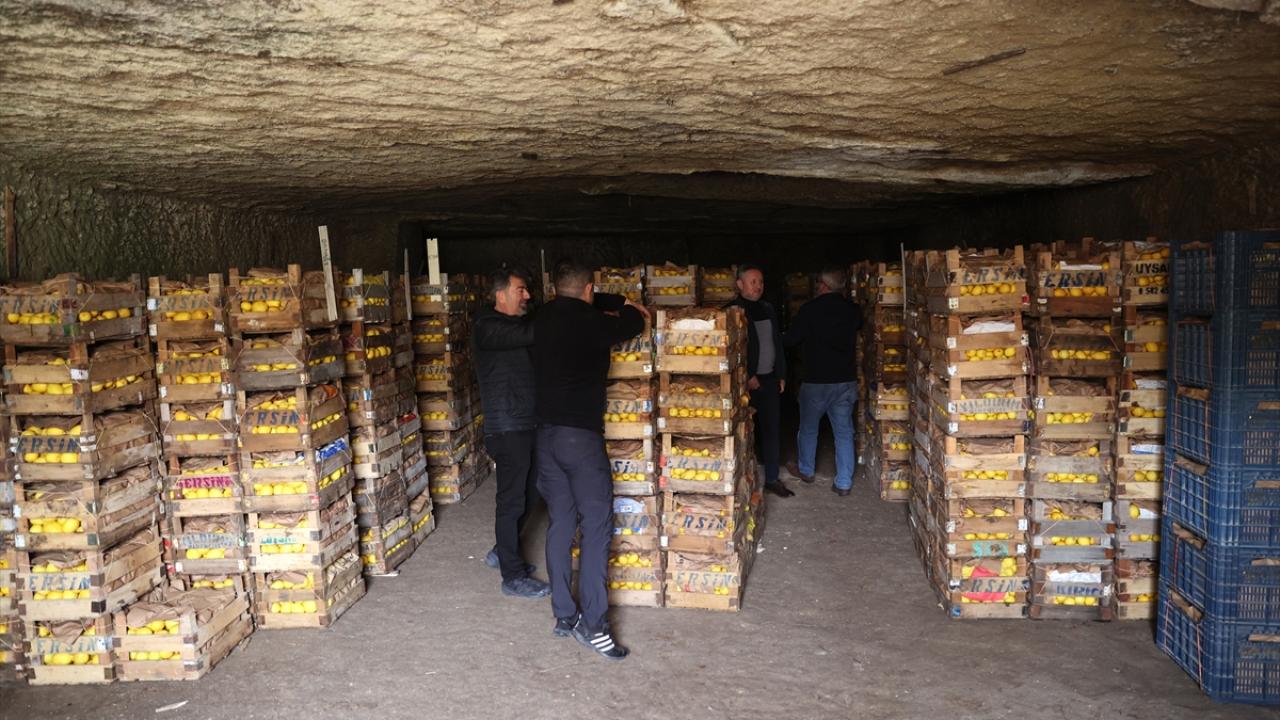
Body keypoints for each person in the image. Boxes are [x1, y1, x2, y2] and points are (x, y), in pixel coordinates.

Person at [533, 259, 646, 661]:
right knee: (597, 527)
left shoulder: (540, 317)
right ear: (589, 289)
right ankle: (595, 626)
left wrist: (595, 298)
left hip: (545, 437)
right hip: (579, 439)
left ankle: (564, 614)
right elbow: (635, 319)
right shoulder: (595, 323)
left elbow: (580, 303)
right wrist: (619, 301)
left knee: (561, 523)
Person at [472, 267, 549, 598]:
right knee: (511, 500)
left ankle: (503, 551)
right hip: (506, 428)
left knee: (535, 488)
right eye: (521, 290)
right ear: (500, 294)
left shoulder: (515, 323)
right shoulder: (487, 326)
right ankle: (512, 577)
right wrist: (564, 319)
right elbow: (533, 332)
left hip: (526, 422)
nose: (527, 295)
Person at [784, 265, 863, 496]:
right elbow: (859, 327)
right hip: (845, 381)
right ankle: (844, 483)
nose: (817, 286)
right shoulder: (853, 310)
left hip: (816, 381)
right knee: (844, 432)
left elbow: (791, 339)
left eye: (819, 282)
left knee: (809, 429)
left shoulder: (810, 310)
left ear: (824, 285)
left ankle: (806, 470)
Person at [728, 265, 792, 498]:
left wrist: (781, 373)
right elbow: (733, 351)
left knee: (772, 430)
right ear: (740, 284)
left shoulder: (767, 309)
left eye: (761, 282)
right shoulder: (733, 311)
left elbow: (776, 343)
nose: (758, 286)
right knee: (744, 433)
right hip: (746, 385)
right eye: (753, 281)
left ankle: (772, 479)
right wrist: (748, 376)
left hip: (770, 380)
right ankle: (745, 480)